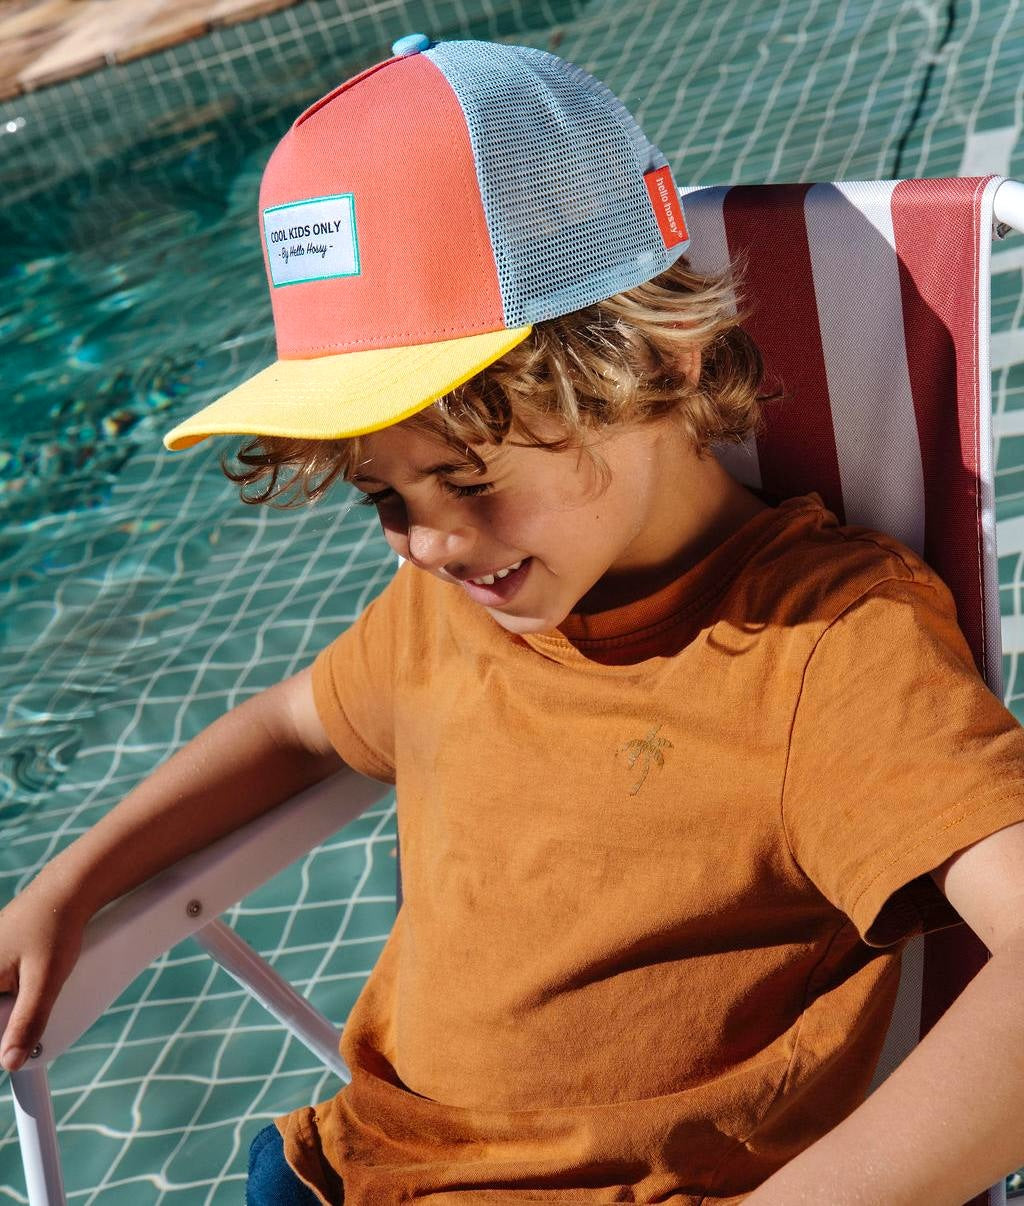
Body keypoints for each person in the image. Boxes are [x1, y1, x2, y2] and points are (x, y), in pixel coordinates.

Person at [2, 32, 1024, 1206]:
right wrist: (70, 885)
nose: (431, 544)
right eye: (385, 498)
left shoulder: (819, 646)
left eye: (468, 477)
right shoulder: (446, 609)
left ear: (664, 367)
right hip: (350, 1169)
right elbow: (296, 726)